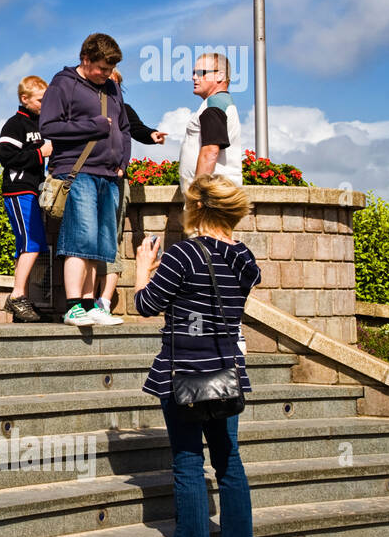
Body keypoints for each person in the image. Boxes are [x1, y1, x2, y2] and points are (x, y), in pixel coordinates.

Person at [133, 175, 261, 537]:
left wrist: (141, 270)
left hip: (185, 373)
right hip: (228, 374)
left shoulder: (183, 254)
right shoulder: (245, 259)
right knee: (230, 464)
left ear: (195, 208)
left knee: (189, 463)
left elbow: (146, 305)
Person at [38, 33, 132, 327]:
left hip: (108, 174)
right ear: (85, 59)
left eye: (110, 69)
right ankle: (73, 306)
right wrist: (91, 126)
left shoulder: (113, 88)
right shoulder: (63, 84)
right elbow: (49, 125)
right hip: (77, 171)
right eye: (102, 68)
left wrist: (122, 162)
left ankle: (91, 307)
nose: (106, 74)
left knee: (100, 244)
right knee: (80, 238)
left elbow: (125, 128)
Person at [93, 68, 169, 320]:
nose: (110, 86)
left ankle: (103, 300)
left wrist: (152, 135)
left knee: (110, 238)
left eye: (115, 83)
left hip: (115, 182)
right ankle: (83, 299)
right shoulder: (87, 107)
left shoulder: (123, 108)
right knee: (86, 242)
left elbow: (137, 128)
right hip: (90, 179)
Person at [0, 75, 52, 322]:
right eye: (41, 100)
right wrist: (41, 153)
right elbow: (7, 158)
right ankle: (17, 296)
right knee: (32, 242)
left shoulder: (42, 123)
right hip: (18, 190)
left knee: (27, 245)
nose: (44, 103)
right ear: (24, 99)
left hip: (33, 190)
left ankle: (22, 300)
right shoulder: (14, 125)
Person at [179, 52, 241, 191]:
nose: (194, 77)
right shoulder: (218, 103)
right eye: (194, 72)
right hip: (216, 195)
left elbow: (210, 152)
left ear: (220, 76)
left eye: (201, 72)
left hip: (212, 198)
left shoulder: (214, 104)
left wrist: (198, 193)